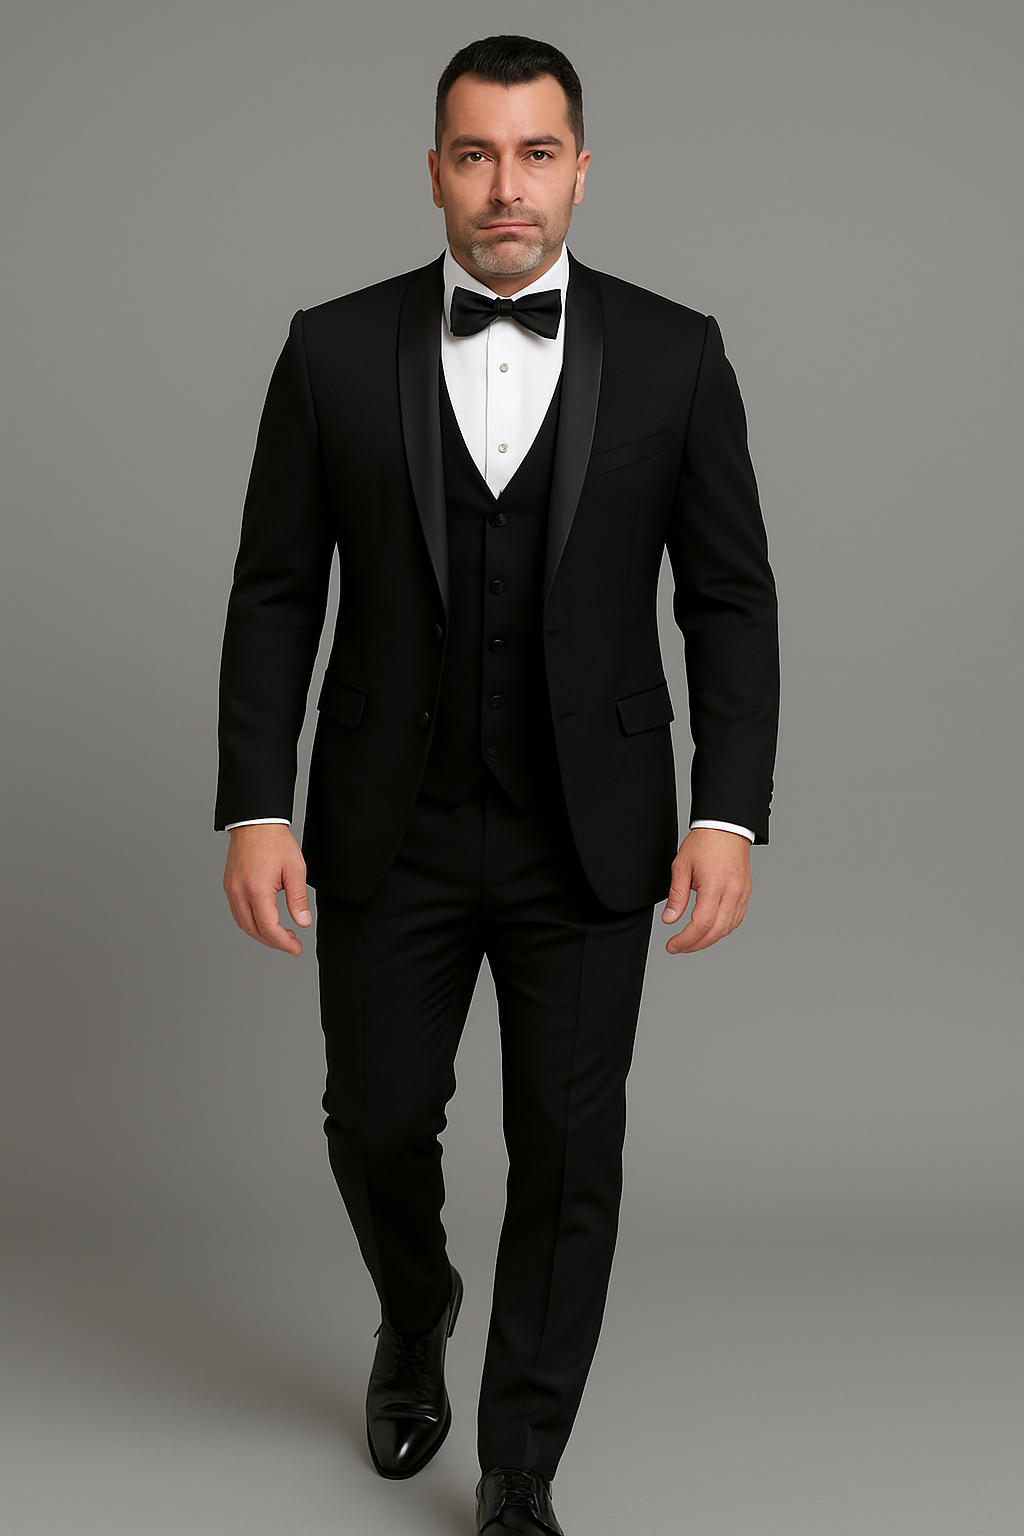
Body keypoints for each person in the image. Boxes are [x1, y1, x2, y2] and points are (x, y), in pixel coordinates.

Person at [216, 33, 779, 1536]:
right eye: (476, 154)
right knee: (374, 1121)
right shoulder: (332, 348)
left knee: (570, 1154)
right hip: (385, 822)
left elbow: (730, 599)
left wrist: (726, 810)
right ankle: (416, 1312)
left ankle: (521, 1462)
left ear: (582, 171)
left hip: (589, 832)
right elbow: (276, 591)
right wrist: (255, 804)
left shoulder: (676, 352)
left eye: (536, 154)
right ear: (435, 172)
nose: (506, 187)